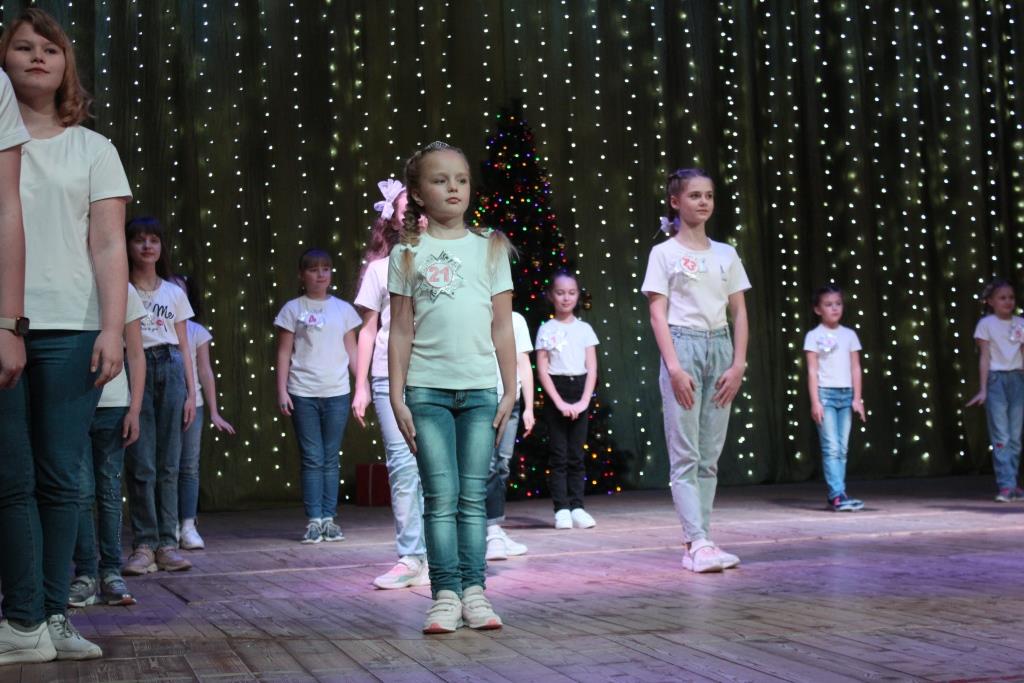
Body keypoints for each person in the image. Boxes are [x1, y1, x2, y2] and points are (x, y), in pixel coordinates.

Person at [0, 7, 130, 663]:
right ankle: (23, 617)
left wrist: (112, 327)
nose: (36, 57)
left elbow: (109, 245)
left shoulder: (93, 148)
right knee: (11, 478)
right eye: (23, 46)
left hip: (73, 327)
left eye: (49, 48)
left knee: (61, 480)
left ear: (66, 63)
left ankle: (51, 616)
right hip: (5, 324)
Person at [388, 141, 515, 633]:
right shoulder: (407, 253)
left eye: (460, 179)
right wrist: (397, 395)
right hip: (427, 392)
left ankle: (475, 592)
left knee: (472, 498)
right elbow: (401, 330)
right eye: (440, 181)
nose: (454, 188)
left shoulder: (491, 247)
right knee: (440, 497)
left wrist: (510, 390)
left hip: (480, 392)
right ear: (419, 194)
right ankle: (444, 594)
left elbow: (502, 326)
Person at [642, 168, 750, 574]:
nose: (703, 202)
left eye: (708, 195)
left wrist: (738, 364)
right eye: (694, 195)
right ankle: (695, 540)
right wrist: (674, 367)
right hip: (683, 346)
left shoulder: (725, 253)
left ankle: (702, 539)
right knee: (686, 452)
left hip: (720, 347)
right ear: (676, 201)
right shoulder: (664, 253)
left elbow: (739, 312)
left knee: (710, 455)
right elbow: (658, 313)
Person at [353, 179, 429, 589]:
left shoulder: (442, 262)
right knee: (402, 467)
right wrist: (361, 385)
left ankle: (440, 555)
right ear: (394, 220)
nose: (415, 216)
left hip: (434, 374)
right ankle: (411, 556)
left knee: (436, 466)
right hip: (388, 376)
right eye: (406, 210)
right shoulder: (379, 269)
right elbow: (368, 329)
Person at [123, 217, 196, 575]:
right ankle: (144, 544)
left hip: (170, 367)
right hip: (136, 368)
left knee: (169, 464)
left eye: (154, 240)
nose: (147, 246)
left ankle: (168, 543)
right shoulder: (123, 289)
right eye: (140, 240)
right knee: (141, 463)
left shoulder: (174, 293)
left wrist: (191, 393)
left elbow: (184, 345)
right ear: (129, 246)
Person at [68, 284, 147, 607]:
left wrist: (135, 409)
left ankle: (111, 572)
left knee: (110, 491)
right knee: (80, 491)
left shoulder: (123, 289)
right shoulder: (71, 280)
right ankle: (86, 574)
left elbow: (136, 353)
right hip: (73, 403)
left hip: (113, 406)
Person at [275, 248, 360, 544]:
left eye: (325, 268)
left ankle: (329, 519)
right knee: (313, 457)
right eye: (313, 269)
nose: (320, 274)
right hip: (303, 392)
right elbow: (284, 352)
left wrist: (363, 386)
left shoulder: (343, 310)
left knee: (330, 457)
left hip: (337, 392)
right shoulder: (292, 309)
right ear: (302, 275)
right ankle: (314, 519)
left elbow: (352, 351)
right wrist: (282, 390)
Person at [169, 274, 236, 550]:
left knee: (188, 466)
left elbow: (205, 371)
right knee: (166, 467)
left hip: (192, 405)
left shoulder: (196, 331)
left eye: (180, 291)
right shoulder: (155, 327)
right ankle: (168, 525)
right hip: (165, 404)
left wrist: (214, 411)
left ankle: (188, 524)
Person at [535, 273, 599, 530]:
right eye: (560, 292)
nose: (566, 298)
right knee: (559, 455)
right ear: (551, 295)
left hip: (580, 389)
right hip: (556, 390)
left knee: (576, 455)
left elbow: (592, 368)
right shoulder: (546, 329)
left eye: (571, 292)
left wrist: (584, 401)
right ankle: (561, 509)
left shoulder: (585, 329)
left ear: (578, 295)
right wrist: (559, 402)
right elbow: (542, 369)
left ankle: (577, 507)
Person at [803, 285, 866, 512]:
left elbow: (855, 368)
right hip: (826, 395)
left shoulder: (849, 335)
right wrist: (815, 402)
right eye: (828, 305)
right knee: (831, 447)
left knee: (842, 448)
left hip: (846, 395)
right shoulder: (813, 336)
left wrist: (857, 398)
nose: (834, 308)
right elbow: (812, 371)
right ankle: (837, 494)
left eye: (838, 304)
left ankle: (839, 493)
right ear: (818, 309)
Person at [967, 278, 1024, 502]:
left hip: (1017, 378)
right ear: (991, 301)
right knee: (1002, 436)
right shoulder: (986, 324)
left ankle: (1012, 483)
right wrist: (983, 389)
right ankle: (1006, 485)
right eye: (1002, 298)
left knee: (1015, 437)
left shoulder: (1020, 322)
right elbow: (985, 357)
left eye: (1011, 297)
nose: (1008, 301)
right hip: (996, 380)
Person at [485, 309, 534, 560]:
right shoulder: (477, 313)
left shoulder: (516, 320)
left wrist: (529, 407)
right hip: (484, 400)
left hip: (511, 402)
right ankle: (489, 530)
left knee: (502, 465)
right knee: (487, 466)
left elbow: (523, 363)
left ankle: (494, 529)